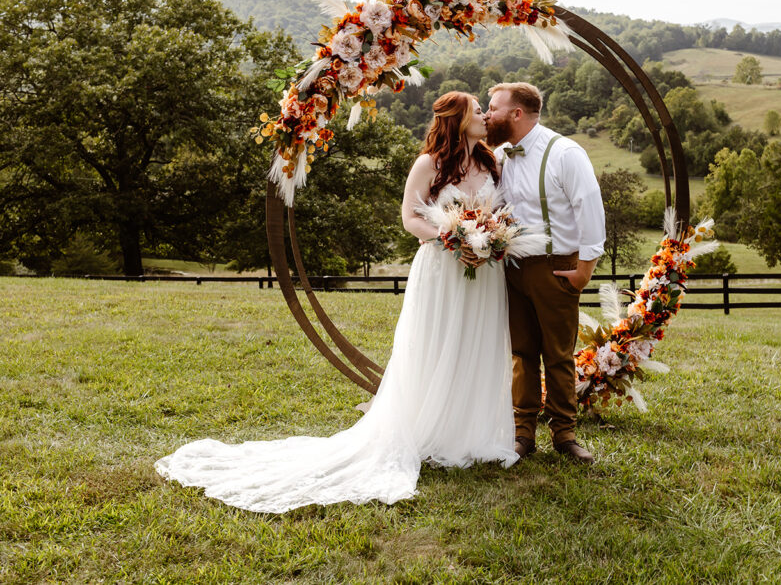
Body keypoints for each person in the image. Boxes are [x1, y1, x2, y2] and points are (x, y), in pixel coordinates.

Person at [154, 91, 518, 512]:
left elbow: (502, 213)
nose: (484, 117)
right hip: (442, 268)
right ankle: (430, 429)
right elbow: (410, 218)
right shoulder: (429, 164)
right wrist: (451, 236)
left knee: (477, 345)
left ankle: (471, 435)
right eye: (477, 110)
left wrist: (490, 240)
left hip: (484, 273)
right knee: (438, 344)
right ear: (457, 119)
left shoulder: (493, 162)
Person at [484, 82, 605, 465]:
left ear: (516, 114)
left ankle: (565, 435)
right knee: (522, 352)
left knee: (557, 354)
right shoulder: (501, 153)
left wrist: (584, 270)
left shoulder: (565, 152)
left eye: (493, 108)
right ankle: (523, 435)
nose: (487, 115)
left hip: (556, 267)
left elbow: (589, 207)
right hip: (513, 268)